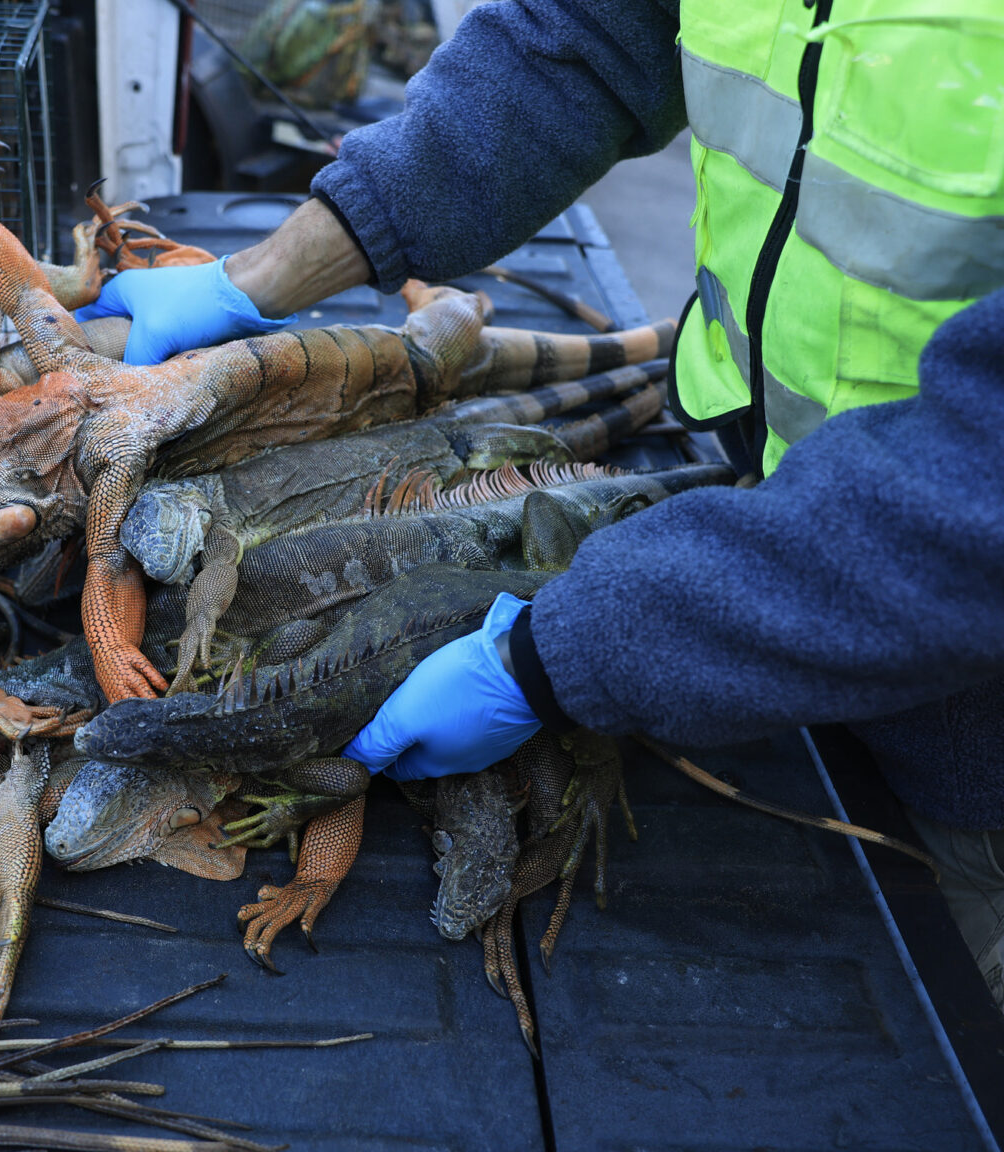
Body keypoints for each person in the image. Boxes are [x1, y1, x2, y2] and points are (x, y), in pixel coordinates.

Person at [75, 0, 1004, 1008]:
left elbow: (976, 493)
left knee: (952, 1007)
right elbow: (592, 37)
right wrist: (264, 275)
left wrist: (551, 660)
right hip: (751, 520)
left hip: (971, 693)